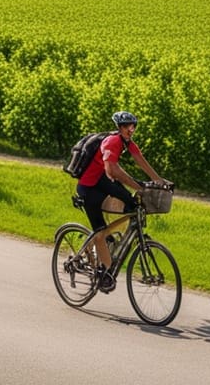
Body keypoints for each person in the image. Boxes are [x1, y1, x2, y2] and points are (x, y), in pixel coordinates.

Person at [76, 110, 168, 292]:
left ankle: (104, 241)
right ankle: (104, 270)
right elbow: (112, 171)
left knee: (130, 205)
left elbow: (140, 160)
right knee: (101, 232)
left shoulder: (128, 143)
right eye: (127, 126)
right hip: (89, 188)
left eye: (133, 126)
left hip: (101, 182)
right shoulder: (112, 141)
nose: (130, 129)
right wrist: (137, 186)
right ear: (119, 127)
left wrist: (160, 181)